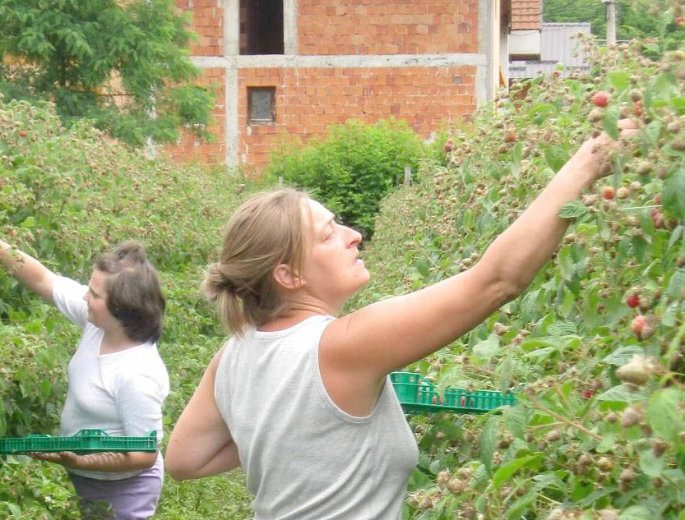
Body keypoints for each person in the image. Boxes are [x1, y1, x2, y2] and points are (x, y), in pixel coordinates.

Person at [164, 120, 639, 519]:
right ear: (287, 274)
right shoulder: (343, 345)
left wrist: (287, 437)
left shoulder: (234, 354)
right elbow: (496, 282)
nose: (354, 234)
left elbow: (184, 458)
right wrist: (590, 161)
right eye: (330, 234)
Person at [0, 235, 169, 520]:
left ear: (121, 308)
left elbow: (144, 454)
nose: (86, 296)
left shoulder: (137, 375)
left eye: (95, 295)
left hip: (123, 490)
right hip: (85, 477)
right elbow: (42, 279)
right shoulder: (99, 324)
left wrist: (84, 459)